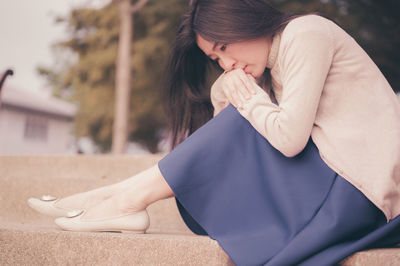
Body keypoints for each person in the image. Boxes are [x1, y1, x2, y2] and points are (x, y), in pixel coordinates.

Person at [27, 0, 400, 265]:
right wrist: (228, 89)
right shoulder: (269, 68)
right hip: (334, 180)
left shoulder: (306, 32)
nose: (227, 63)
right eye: (216, 60)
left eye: (224, 47)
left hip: (360, 191)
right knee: (245, 121)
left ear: (244, 21)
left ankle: (120, 200)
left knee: (249, 120)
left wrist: (247, 98)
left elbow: (288, 140)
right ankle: (114, 196)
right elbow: (233, 144)